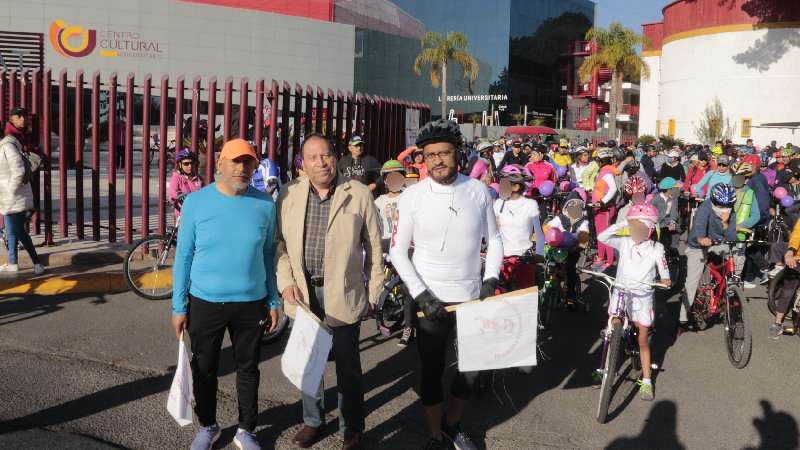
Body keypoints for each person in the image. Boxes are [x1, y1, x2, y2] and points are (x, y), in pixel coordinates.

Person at [390, 119, 503, 450]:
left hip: (470, 297)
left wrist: (491, 279)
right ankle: (433, 431)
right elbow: (397, 251)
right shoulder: (412, 197)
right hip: (430, 300)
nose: (438, 160)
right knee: (431, 369)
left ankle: (453, 424)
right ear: (422, 159)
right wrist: (421, 295)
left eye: (445, 153)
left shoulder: (478, 190)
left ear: (458, 154)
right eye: (431, 155)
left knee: (472, 369)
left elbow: (494, 240)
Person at [171, 139, 281, 450]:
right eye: (235, 161)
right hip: (205, 302)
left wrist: (273, 300)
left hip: (252, 302)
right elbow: (184, 257)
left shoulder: (265, 204)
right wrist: (179, 306)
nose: (241, 168)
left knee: (248, 369)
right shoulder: (196, 203)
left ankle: (247, 430)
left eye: (248, 162)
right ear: (220, 163)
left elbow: (268, 255)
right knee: (204, 369)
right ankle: (208, 425)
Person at [276, 133, 383, 450]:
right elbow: (279, 246)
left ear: (336, 158)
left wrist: (374, 292)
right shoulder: (289, 194)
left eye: (326, 155)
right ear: (303, 163)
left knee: (349, 366)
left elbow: (375, 248)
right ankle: (313, 420)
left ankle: (352, 427)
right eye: (313, 157)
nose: (321, 162)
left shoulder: (359, 193)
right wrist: (285, 283)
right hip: (304, 294)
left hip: (343, 294)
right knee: (310, 363)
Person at [597, 203, 671, 401]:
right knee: (612, 327)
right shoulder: (625, 241)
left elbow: (664, 269)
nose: (635, 232)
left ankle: (647, 380)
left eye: (640, 228)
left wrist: (665, 278)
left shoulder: (657, 248)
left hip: (642, 296)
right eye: (633, 228)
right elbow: (601, 237)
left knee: (642, 339)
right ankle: (605, 364)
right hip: (621, 291)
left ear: (649, 230)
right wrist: (624, 222)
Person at [682, 183, 740, 329]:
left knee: (734, 262)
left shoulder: (731, 212)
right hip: (698, 245)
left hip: (718, 244)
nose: (723, 208)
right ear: (714, 201)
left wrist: (725, 223)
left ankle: (730, 300)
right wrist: (702, 238)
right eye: (720, 205)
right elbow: (699, 227)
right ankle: (682, 317)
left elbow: (732, 236)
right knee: (692, 282)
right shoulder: (705, 207)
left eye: (727, 205)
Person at [0, 107, 44, 275]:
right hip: (11, 196)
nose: (23, 119)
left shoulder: (8, 146)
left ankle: (37, 264)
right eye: (19, 116)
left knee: (17, 231)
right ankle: (13, 263)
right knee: (13, 231)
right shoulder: (7, 144)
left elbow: (18, 170)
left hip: (14, 196)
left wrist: (9, 190)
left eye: (24, 116)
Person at [546, 197, 590, 308]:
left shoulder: (583, 222)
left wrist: (579, 245)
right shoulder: (560, 218)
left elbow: (584, 237)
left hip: (572, 250)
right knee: (548, 268)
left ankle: (571, 296)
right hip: (556, 249)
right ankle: (549, 289)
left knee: (570, 271)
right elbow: (548, 227)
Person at [494, 165, 545, 257]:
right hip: (502, 255)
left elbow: (539, 232)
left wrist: (539, 254)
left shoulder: (530, 204)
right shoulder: (498, 203)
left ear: (516, 187)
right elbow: (493, 231)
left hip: (524, 256)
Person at [592, 148, 620, 270]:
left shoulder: (607, 172)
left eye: (597, 160)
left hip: (605, 209)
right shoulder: (603, 171)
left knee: (606, 234)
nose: (596, 162)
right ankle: (601, 256)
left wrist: (602, 201)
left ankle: (609, 260)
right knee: (600, 234)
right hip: (599, 209)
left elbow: (613, 189)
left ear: (601, 160)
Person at [771, 221, 800, 338]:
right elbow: (797, 235)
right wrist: (790, 251)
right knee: (788, 292)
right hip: (797, 258)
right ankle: (777, 324)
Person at [168, 149, 203, 217]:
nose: (190, 166)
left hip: (198, 214)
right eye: (186, 164)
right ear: (180, 165)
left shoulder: (199, 178)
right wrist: (179, 197)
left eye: (192, 163)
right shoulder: (176, 178)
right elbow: (172, 195)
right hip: (183, 215)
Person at [652, 177, 682, 252]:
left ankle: (673, 248)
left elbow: (674, 211)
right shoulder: (656, 199)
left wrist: (672, 222)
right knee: (661, 237)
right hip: (658, 223)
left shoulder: (674, 198)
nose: (677, 190)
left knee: (676, 228)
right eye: (675, 188)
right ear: (669, 190)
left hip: (668, 220)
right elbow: (651, 212)